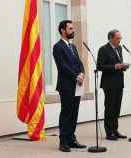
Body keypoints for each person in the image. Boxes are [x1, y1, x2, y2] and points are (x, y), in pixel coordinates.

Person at [53, 20, 86, 152]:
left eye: (73, 28)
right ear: (63, 30)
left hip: (77, 85)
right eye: (70, 28)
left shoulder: (73, 47)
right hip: (66, 85)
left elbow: (79, 63)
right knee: (66, 112)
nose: (73, 30)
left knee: (74, 113)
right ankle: (63, 141)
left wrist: (82, 73)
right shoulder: (58, 47)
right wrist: (75, 76)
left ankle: (72, 139)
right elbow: (62, 66)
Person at [97, 29, 128, 141]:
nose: (119, 40)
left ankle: (115, 130)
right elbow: (100, 66)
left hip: (119, 82)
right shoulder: (103, 49)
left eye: (120, 38)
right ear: (111, 38)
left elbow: (119, 63)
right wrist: (114, 67)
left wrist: (123, 66)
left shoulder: (119, 48)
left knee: (117, 108)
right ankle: (109, 132)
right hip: (109, 83)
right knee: (109, 107)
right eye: (117, 38)